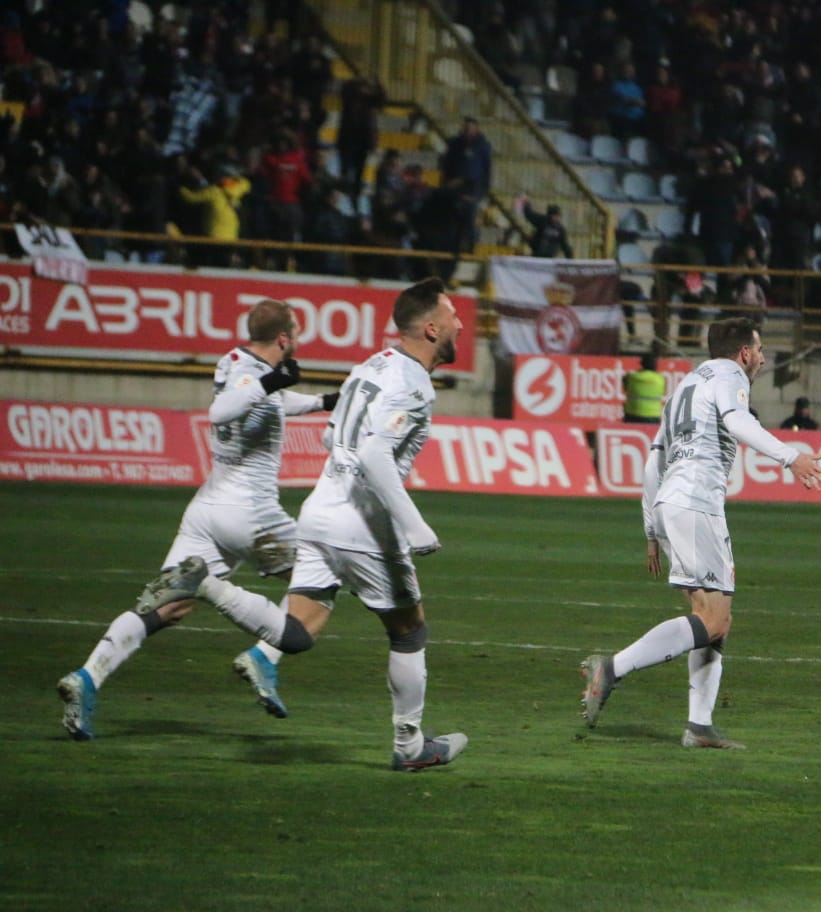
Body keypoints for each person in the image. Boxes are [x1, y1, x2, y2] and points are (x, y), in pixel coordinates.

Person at [137, 278, 468, 772]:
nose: (462, 323)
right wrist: (415, 526)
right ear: (431, 327)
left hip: (318, 511)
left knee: (297, 631)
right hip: (363, 524)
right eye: (454, 315)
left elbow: (337, 432)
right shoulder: (414, 383)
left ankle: (206, 583)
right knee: (409, 632)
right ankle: (410, 746)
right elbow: (375, 454)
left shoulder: (371, 365)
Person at [56, 299, 338, 740]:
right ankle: (264, 657)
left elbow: (269, 400)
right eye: (296, 334)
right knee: (322, 579)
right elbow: (222, 411)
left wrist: (325, 401)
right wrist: (271, 381)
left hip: (207, 511)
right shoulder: (252, 377)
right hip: (252, 516)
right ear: (284, 338)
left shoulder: (237, 363)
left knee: (166, 607)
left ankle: (87, 677)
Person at [580, 317, 821, 748]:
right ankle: (613, 668)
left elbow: (653, 460)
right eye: (760, 349)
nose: (763, 357)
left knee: (714, 619)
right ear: (744, 353)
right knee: (713, 620)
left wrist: (651, 528)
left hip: (673, 503)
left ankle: (699, 726)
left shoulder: (685, 385)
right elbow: (737, 422)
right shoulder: (730, 376)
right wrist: (790, 457)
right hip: (696, 502)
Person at [440, 116, 493, 255]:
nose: (467, 131)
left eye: (470, 129)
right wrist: (446, 185)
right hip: (454, 190)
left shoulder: (483, 146)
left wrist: (483, 192)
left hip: (473, 191)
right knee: (451, 222)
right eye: (465, 128)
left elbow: (487, 171)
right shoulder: (454, 145)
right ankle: (449, 251)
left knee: (470, 224)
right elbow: (446, 166)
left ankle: (469, 251)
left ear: (476, 130)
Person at [623, 353, 665, 424]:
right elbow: (663, 393)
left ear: (641, 364)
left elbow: (625, 389)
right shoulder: (661, 379)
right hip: (654, 417)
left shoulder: (632, 377)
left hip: (633, 415)